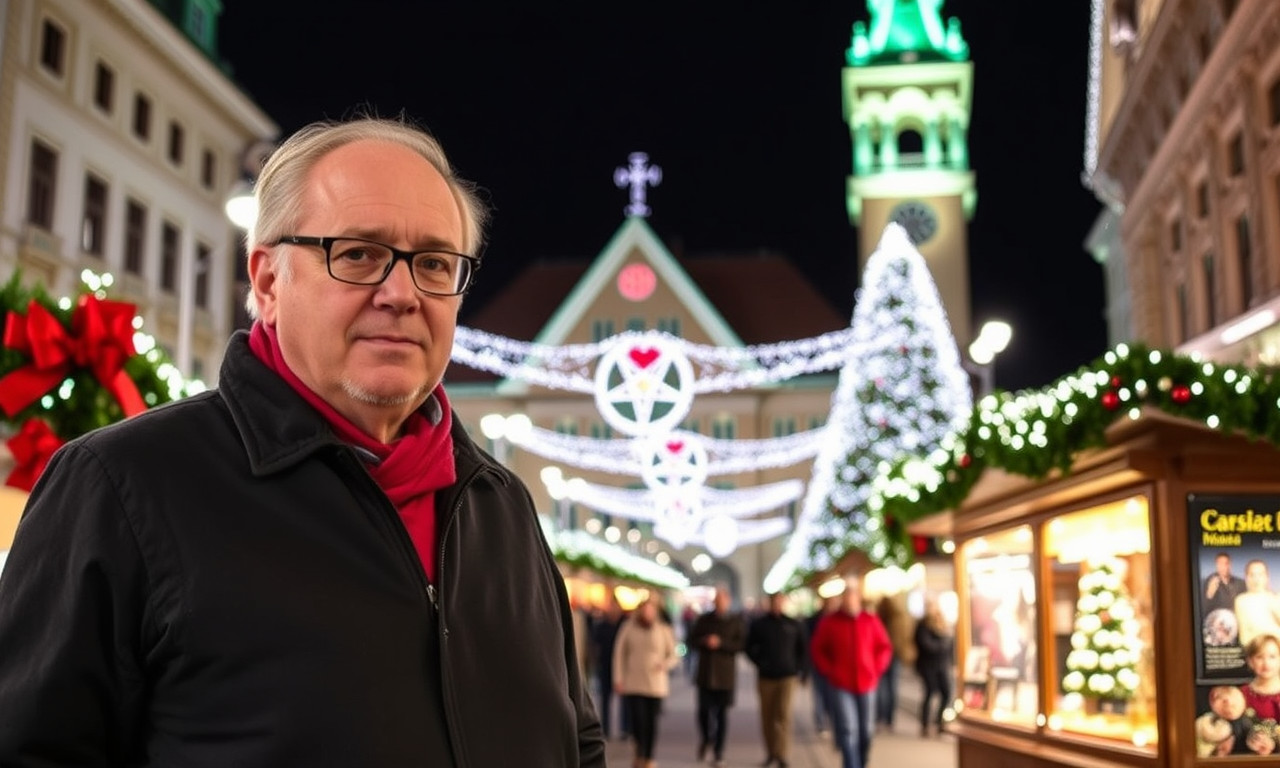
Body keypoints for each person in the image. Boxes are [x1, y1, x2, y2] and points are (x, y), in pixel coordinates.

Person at [0, 115, 605, 766]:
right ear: (265, 280)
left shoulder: (501, 505)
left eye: (433, 263)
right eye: (357, 254)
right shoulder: (122, 486)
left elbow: (576, 740)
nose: (401, 293)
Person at [810, 575, 893, 768]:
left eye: (852, 597)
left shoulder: (870, 621)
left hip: (867, 682)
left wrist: (876, 668)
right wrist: (829, 670)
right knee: (848, 729)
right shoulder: (830, 622)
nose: (849, 601)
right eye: (846, 597)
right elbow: (817, 649)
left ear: (858, 599)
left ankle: (862, 762)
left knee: (866, 731)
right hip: (841, 684)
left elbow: (884, 647)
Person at [745, 591, 809, 768]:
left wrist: (802, 671)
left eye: (780, 602)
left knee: (784, 715)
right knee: (767, 716)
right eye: (774, 602)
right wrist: (760, 663)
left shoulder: (793, 624)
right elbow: (749, 647)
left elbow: (803, 649)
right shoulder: (759, 625)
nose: (777, 605)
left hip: (787, 677)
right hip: (766, 677)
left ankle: (782, 753)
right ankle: (771, 752)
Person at [613, 597, 679, 768]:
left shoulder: (663, 629)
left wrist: (664, 664)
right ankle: (639, 752)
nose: (648, 613)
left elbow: (674, 655)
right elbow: (619, 654)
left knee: (651, 722)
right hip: (634, 682)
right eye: (645, 610)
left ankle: (649, 756)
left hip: (656, 684)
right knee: (638, 721)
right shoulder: (628, 627)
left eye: (651, 610)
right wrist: (618, 678)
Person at [690, 586, 747, 767]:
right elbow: (691, 640)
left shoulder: (735, 621)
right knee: (703, 712)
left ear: (728, 601)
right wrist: (705, 642)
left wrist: (721, 643)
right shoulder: (704, 620)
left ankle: (718, 751)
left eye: (723, 600)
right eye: (717, 600)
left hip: (725, 675)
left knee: (722, 714)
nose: (720, 603)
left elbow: (740, 645)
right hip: (705, 674)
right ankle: (707, 738)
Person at [874, 593, 916, 733]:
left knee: (882, 688)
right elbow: (905, 637)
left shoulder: (879, 618)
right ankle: (889, 720)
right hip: (895, 655)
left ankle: (880, 718)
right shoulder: (900, 618)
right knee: (892, 688)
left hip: (883, 656)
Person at [913, 597, 955, 737]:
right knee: (930, 692)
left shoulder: (943, 623)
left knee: (946, 693)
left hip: (942, 664)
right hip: (928, 665)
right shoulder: (922, 625)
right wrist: (942, 645)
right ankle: (925, 724)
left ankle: (939, 722)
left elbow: (951, 644)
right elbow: (926, 645)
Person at [591, 597, 627, 740]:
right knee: (605, 699)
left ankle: (625, 728)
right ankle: (605, 729)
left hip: (622, 667)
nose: (612, 609)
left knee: (624, 700)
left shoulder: (624, 625)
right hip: (605, 666)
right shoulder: (601, 625)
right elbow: (595, 645)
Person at [1239, 633, 1280, 755]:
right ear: (1250, 661)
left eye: (1272, 657)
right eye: (1259, 657)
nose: (1266, 663)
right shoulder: (1242, 695)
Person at [805, 595, 841, 737]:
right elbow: (811, 644)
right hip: (818, 665)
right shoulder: (814, 620)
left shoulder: (838, 621)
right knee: (819, 694)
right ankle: (821, 722)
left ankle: (831, 721)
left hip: (836, 667)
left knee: (832, 695)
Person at [1235, 559, 1280, 648]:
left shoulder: (1275, 598)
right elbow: (1244, 636)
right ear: (1246, 578)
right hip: (1256, 650)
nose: (1256, 579)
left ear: (1267, 577)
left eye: (1260, 575)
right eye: (1252, 575)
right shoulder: (1241, 601)